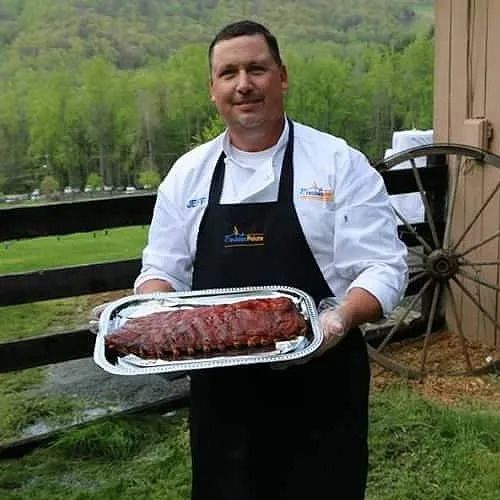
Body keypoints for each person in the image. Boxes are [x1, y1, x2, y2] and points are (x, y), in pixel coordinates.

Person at [134, 20, 407, 500]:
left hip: (322, 385)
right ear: (212, 89)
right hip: (222, 397)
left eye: (256, 69)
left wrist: (339, 319)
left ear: (282, 77)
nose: (243, 84)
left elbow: (384, 266)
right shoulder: (187, 174)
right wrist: (147, 318)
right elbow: (162, 269)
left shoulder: (338, 163)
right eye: (229, 73)